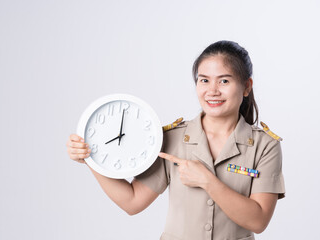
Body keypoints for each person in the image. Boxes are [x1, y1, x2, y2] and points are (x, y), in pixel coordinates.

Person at [66, 40, 285, 240]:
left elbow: (258, 221)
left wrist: (208, 181)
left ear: (246, 86)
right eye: (204, 80)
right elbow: (132, 201)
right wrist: (90, 158)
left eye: (224, 81)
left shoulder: (264, 145)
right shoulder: (172, 138)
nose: (212, 91)